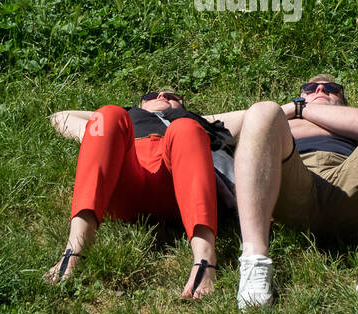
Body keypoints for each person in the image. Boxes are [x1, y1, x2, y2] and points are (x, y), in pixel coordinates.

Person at [206, 74, 358, 308]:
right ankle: (254, 262)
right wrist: (291, 110)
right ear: (299, 96)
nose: (320, 88)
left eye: (332, 89)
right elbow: (207, 127)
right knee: (261, 111)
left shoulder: (353, 118)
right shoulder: (279, 118)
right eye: (310, 88)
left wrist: (302, 109)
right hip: (293, 184)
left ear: (343, 102)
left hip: (351, 182)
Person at [46, 88, 228, 299]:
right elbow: (59, 117)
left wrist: (197, 120)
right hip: (127, 180)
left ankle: (205, 260)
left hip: (177, 186)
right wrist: (112, 118)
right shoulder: (127, 117)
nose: (161, 96)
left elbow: (253, 119)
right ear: (140, 104)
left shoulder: (199, 122)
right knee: (108, 115)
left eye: (171, 97)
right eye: (151, 96)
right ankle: (74, 251)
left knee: (186, 128)